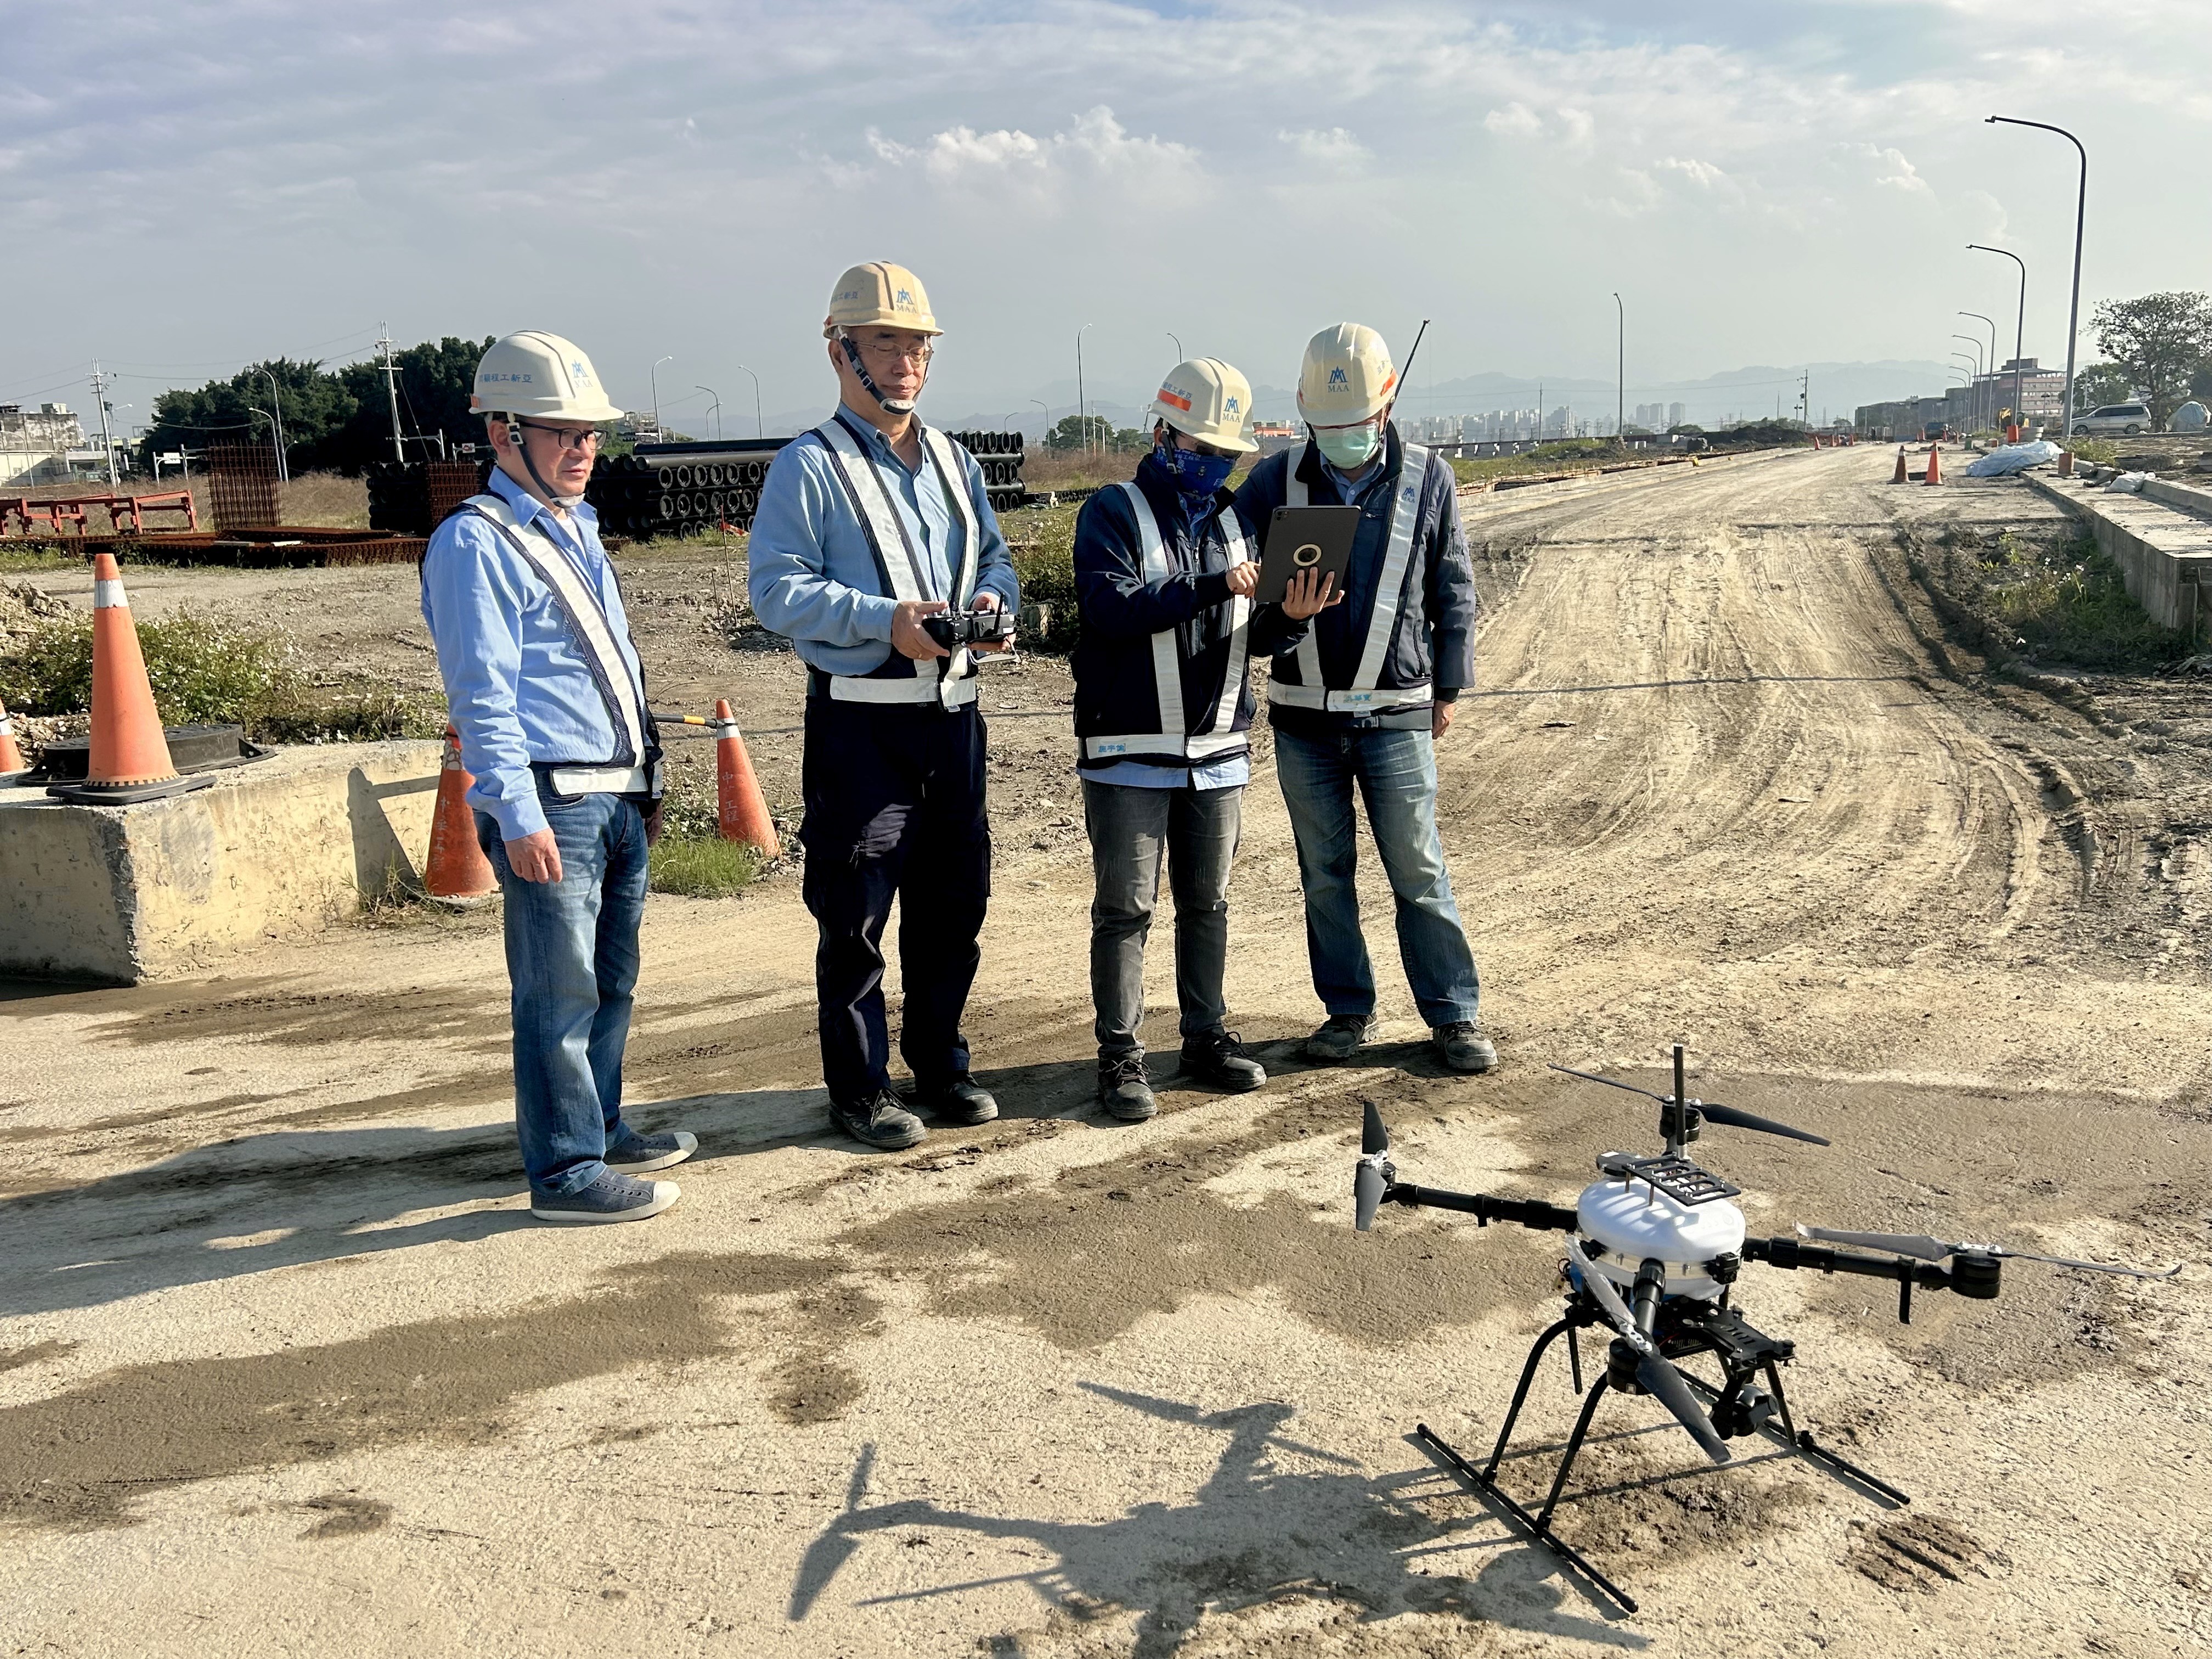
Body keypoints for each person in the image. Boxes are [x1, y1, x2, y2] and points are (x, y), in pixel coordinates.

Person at [420, 332, 693, 1223]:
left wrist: (645, 780)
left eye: (590, 435)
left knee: (610, 980)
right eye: (563, 433)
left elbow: (609, 667)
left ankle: (599, 1126)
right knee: (557, 992)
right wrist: (514, 810)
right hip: (550, 800)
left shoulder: (576, 528)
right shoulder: (476, 542)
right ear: (504, 433)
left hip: (611, 791)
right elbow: (482, 691)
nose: (583, 450)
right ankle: (567, 1172)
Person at [748, 262, 1018, 1150]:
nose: (906, 363)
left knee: (954, 905)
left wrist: (993, 602)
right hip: (863, 725)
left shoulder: (955, 462)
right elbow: (776, 591)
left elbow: (995, 558)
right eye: (886, 344)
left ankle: (940, 1064)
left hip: (954, 719)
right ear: (842, 352)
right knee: (856, 915)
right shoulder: (809, 467)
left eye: (918, 346)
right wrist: (883, 621)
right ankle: (860, 1089)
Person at [1071, 358, 1335, 1121]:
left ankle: (1205, 1038)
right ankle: (1120, 1056)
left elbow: (1255, 636)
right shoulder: (1112, 512)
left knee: (1207, 904)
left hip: (1217, 750)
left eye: (1224, 455)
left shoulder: (1234, 523)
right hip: (1128, 751)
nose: (1212, 464)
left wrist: (1296, 615)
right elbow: (1114, 609)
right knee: (1126, 909)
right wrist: (1218, 585)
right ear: (1162, 435)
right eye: (1200, 449)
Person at [1234, 323, 1496, 1073]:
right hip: (1304, 718)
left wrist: (1449, 687)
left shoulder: (1429, 477)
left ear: (1387, 404)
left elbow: (1453, 589)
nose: (1343, 438)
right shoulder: (1273, 482)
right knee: (1325, 875)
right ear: (1305, 414)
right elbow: (1236, 583)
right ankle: (1347, 1010)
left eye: (1356, 423)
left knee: (1418, 870)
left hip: (1397, 711)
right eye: (1328, 426)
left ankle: (1454, 1014)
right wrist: (1277, 613)